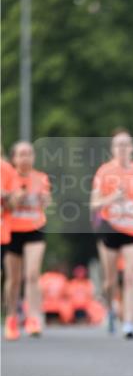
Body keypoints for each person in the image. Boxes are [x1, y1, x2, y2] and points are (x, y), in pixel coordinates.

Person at [91, 129, 133, 339]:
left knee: (130, 276)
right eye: (118, 145)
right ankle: (111, 309)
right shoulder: (104, 172)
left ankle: (129, 322)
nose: (123, 148)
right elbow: (94, 204)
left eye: (126, 144)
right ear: (112, 148)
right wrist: (112, 198)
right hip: (110, 227)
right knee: (110, 281)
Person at [4, 141, 52, 339]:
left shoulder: (40, 178)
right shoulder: (7, 177)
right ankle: (11, 318)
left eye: (29, 154)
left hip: (35, 228)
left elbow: (47, 200)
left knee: (32, 274)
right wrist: (16, 197)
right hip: (12, 230)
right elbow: (7, 204)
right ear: (14, 158)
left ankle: (33, 317)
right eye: (21, 154)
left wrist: (44, 199)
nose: (26, 158)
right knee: (14, 279)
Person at [1, 154, 21, 340]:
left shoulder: (6, 169)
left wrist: (5, 196)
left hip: (4, 233)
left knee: (10, 277)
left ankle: (10, 318)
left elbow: (15, 204)